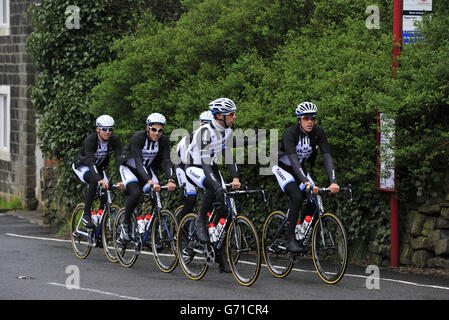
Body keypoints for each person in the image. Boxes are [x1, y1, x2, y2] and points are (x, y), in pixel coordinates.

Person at [272, 102, 339, 253]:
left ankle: (301, 229)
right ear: (299, 119)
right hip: (282, 167)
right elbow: (294, 161)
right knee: (296, 196)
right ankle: (290, 240)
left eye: (313, 119)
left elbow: (327, 157)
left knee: (314, 198)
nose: (310, 121)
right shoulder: (290, 133)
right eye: (306, 118)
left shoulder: (318, 133)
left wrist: (333, 181)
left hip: (299, 168)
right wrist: (306, 182)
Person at [183, 98, 241, 273]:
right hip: (194, 165)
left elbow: (229, 155)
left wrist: (235, 177)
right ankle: (201, 219)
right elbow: (206, 163)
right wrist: (216, 185)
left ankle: (219, 250)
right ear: (219, 116)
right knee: (212, 186)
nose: (234, 116)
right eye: (231, 114)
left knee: (225, 207)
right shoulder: (205, 132)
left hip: (211, 166)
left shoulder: (228, 130)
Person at [118, 112, 176, 241]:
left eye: (160, 130)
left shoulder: (163, 141)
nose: (157, 133)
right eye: (154, 129)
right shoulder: (138, 138)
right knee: (136, 193)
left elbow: (167, 161)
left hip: (146, 169)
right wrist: (150, 181)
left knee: (156, 194)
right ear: (147, 128)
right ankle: (125, 223)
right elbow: (138, 162)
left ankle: (150, 230)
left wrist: (171, 179)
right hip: (130, 168)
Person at [72, 115, 122, 229]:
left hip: (98, 167)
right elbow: (90, 162)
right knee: (94, 182)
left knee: (107, 191)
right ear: (97, 129)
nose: (107, 132)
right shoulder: (90, 140)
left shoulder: (115, 140)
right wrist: (99, 180)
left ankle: (99, 221)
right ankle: (86, 215)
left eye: (110, 129)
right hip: (83, 166)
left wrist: (124, 179)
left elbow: (119, 161)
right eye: (104, 129)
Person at [174, 110, 214, 222]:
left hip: (200, 167)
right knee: (191, 197)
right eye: (203, 124)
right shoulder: (190, 138)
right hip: (183, 166)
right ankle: (181, 231)